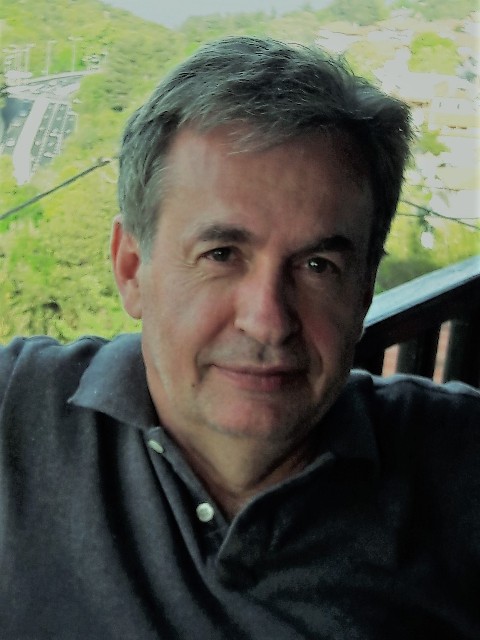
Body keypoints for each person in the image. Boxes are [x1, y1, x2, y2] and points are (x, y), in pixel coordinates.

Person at [0, 36, 479, 639]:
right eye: (222, 253)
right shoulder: (15, 413)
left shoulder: (460, 463)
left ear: (363, 292)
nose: (268, 320)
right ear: (132, 269)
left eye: (318, 266)